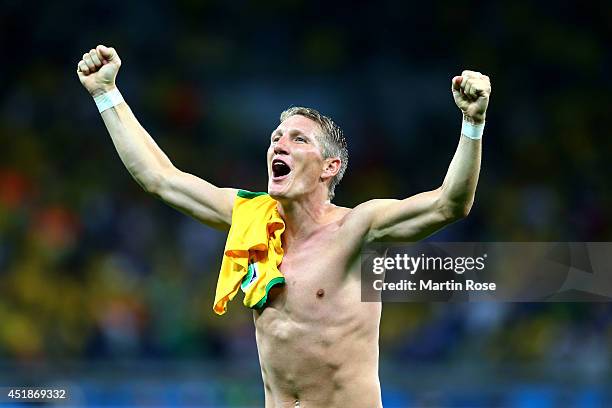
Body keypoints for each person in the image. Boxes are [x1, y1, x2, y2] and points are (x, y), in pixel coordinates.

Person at [77, 44, 491, 408]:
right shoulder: (252, 218)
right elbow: (160, 178)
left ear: (330, 167)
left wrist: (472, 124)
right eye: (276, 137)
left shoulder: (358, 229)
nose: (279, 144)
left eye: (298, 139)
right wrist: (105, 93)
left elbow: (448, 205)